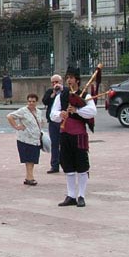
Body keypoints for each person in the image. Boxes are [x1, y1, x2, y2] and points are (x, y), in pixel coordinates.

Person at [51, 67, 96, 208]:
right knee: (68, 165)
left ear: (77, 80)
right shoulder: (61, 96)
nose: (69, 80)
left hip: (79, 135)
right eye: (67, 78)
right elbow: (52, 114)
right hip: (65, 134)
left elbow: (92, 112)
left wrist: (77, 110)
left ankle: (81, 196)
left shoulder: (85, 96)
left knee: (82, 166)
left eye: (71, 77)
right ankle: (71, 195)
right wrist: (60, 114)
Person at [7, 94, 45, 185]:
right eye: (29, 101)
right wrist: (16, 126)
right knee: (28, 159)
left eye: (33, 101)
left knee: (33, 159)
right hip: (25, 139)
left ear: (36, 102)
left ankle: (29, 177)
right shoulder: (23, 111)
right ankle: (30, 177)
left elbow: (41, 122)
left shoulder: (39, 112)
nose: (31, 103)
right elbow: (9, 116)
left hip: (35, 139)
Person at [42, 74, 63, 173]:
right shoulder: (50, 91)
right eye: (53, 82)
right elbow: (45, 101)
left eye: (57, 82)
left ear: (61, 82)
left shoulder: (65, 91)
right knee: (54, 144)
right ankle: (54, 165)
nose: (55, 84)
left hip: (63, 120)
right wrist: (53, 93)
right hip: (52, 121)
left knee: (64, 143)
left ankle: (66, 163)